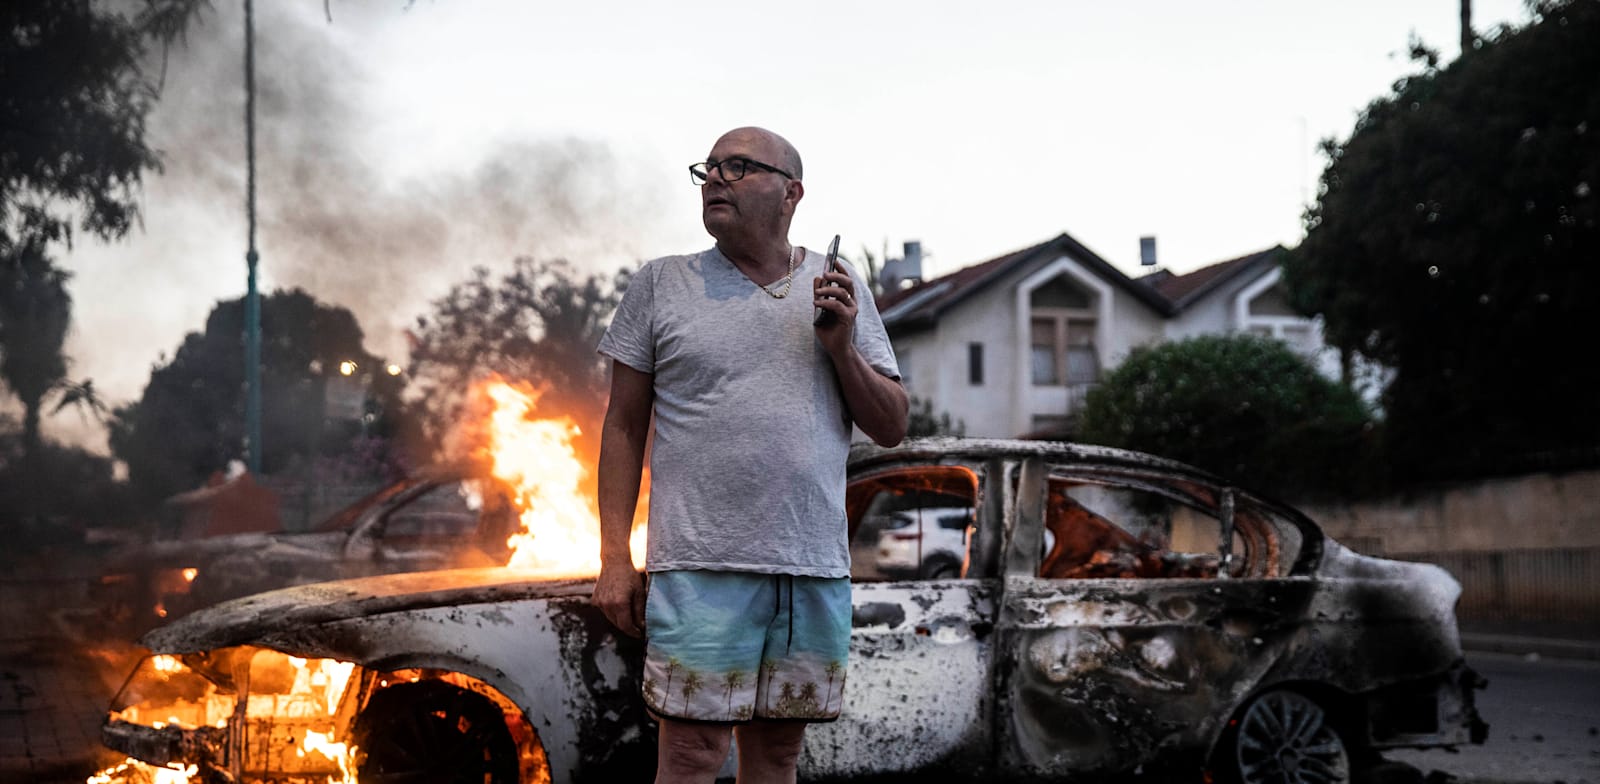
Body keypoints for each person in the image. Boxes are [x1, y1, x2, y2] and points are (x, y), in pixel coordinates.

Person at [592, 127, 908, 784]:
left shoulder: (838, 284)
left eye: (737, 167)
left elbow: (892, 425)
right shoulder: (661, 285)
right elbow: (622, 428)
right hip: (699, 567)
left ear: (791, 192)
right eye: (709, 168)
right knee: (691, 755)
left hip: (809, 568)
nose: (715, 179)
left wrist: (842, 346)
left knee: (777, 758)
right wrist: (614, 559)